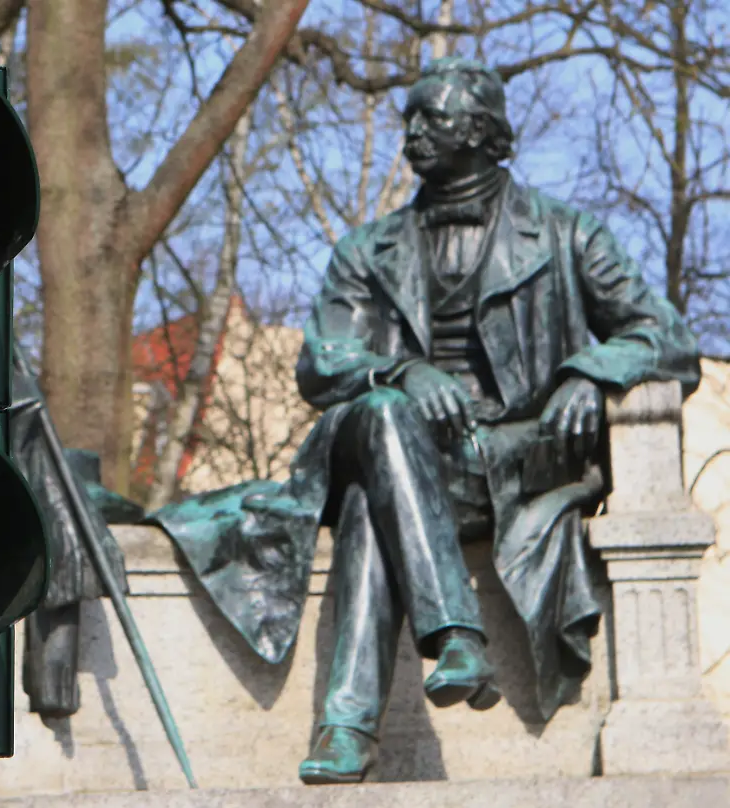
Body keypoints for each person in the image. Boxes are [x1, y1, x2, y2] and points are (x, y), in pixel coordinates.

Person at [150, 56, 701, 785]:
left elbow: (667, 337)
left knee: (369, 505)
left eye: (429, 118)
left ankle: (347, 727)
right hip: (386, 432)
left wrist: (588, 371)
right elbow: (322, 359)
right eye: (407, 118)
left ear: (479, 130)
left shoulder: (567, 235)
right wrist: (403, 371)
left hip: (502, 459)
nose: (411, 133)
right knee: (383, 416)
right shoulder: (365, 250)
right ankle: (455, 634)